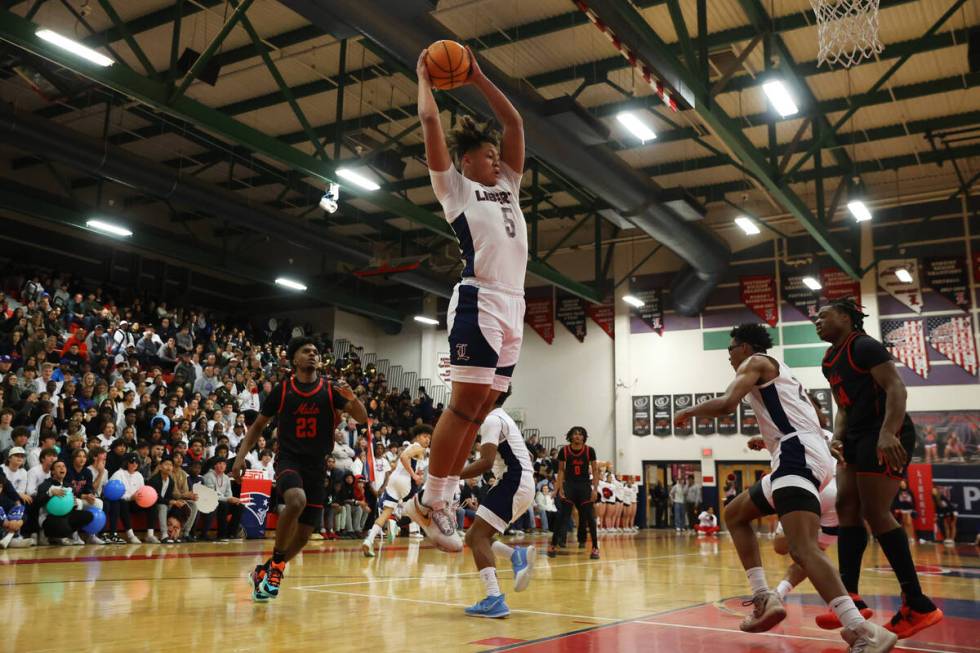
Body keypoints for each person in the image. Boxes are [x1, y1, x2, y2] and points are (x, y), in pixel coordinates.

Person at [675, 323, 895, 651]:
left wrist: (687, 411)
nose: (729, 356)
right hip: (801, 456)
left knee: (802, 548)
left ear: (746, 347)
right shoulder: (779, 372)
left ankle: (861, 630)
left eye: (731, 348)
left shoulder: (756, 362)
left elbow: (726, 404)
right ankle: (766, 597)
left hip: (797, 454)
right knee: (734, 513)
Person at [407, 42, 527, 554]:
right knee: (462, 407)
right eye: (487, 154)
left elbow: (515, 124)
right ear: (466, 161)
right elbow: (431, 127)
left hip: (514, 304)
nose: (497, 157)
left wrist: (478, 75)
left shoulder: (510, 186)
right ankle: (432, 499)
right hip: (479, 299)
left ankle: (444, 495)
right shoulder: (455, 189)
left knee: (483, 411)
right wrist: (425, 82)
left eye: (497, 154)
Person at [816, 299, 942, 638]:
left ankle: (917, 603)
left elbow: (896, 388)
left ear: (845, 317)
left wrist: (888, 433)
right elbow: (842, 406)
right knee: (846, 507)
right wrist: (837, 437)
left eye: (823, 316)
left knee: (875, 510)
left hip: (885, 431)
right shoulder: (829, 359)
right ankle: (851, 598)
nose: (817, 321)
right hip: (856, 436)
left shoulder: (865, 345)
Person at [233, 336, 366, 602]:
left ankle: (266, 570)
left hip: (317, 466)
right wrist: (240, 458)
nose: (312, 354)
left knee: (305, 536)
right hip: (289, 460)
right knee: (296, 500)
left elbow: (362, 419)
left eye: (316, 351)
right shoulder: (283, 390)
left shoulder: (330, 390)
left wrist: (353, 400)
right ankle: (277, 570)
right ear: (294, 359)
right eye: (306, 351)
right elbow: (258, 426)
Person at [457, 390, 536, 618]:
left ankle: (494, 598)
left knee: (478, 537)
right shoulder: (500, 417)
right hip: (516, 483)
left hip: (513, 482)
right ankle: (515, 556)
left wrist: (452, 475)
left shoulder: (492, 419)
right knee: (473, 537)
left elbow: (485, 462)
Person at [362, 425, 431, 557]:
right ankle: (396, 524)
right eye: (425, 436)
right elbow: (404, 458)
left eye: (429, 437)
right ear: (417, 437)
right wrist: (414, 475)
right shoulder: (418, 447)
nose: (427, 439)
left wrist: (417, 474)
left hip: (393, 481)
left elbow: (400, 463)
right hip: (405, 482)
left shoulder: (411, 447)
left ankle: (369, 540)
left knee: (385, 513)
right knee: (419, 511)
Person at [547, 427, 599, 560]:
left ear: (584, 437)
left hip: (584, 486)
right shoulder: (564, 450)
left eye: (580, 434)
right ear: (570, 436)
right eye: (575, 434)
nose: (577, 436)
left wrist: (595, 489)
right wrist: (558, 488)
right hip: (569, 485)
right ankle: (553, 544)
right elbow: (561, 471)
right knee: (562, 516)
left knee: (589, 517)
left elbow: (595, 470)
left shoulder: (589, 450)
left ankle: (595, 548)